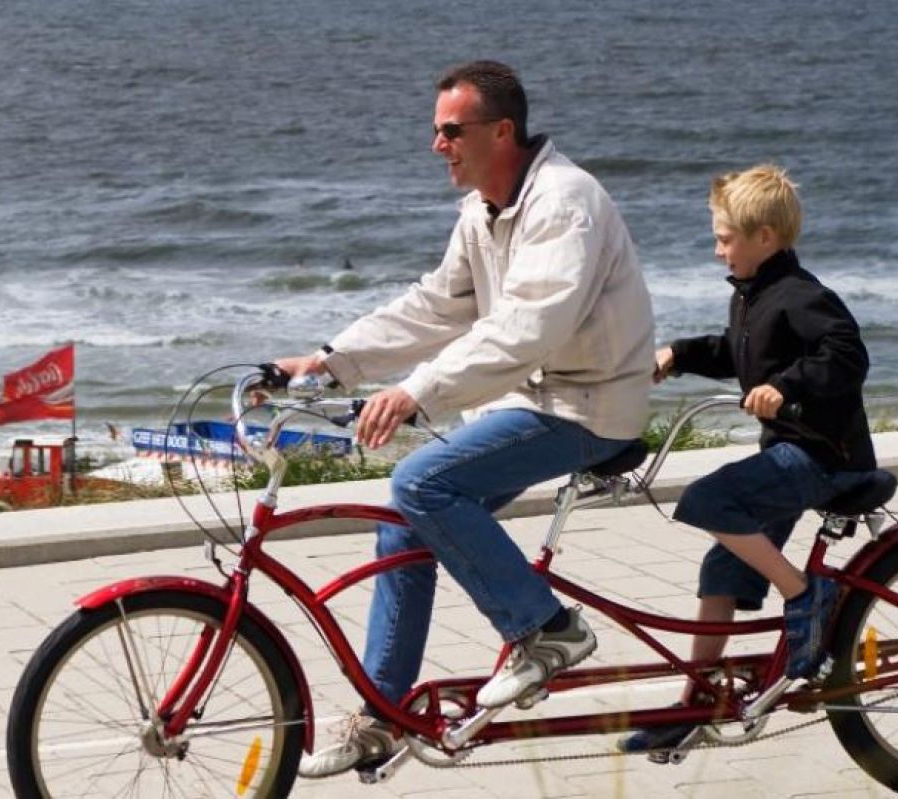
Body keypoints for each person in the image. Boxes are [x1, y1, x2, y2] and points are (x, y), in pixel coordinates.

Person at [276, 60, 656, 778]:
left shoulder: (562, 201)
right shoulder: (482, 211)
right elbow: (435, 307)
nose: (436, 145)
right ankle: (381, 713)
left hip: (591, 403)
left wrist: (416, 391)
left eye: (451, 130)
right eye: (435, 131)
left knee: (422, 483)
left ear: (501, 130)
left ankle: (546, 631)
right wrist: (329, 360)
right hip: (533, 398)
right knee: (402, 517)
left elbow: (526, 328)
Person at [618, 164, 876, 755]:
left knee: (709, 499)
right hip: (788, 451)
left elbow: (847, 355)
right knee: (723, 571)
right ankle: (695, 703)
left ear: (766, 238)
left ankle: (806, 594)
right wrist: (678, 355)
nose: (717, 251)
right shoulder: (754, 295)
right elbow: (740, 354)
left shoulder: (802, 295)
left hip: (823, 457)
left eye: (726, 238)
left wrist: (788, 386)